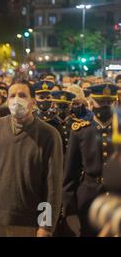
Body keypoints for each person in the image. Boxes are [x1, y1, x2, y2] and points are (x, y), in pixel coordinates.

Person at [0, 80, 63, 237]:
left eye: (22, 95)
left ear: (32, 102)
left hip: (30, 223)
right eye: (12, 96)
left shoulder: (49, 135)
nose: (16, 100)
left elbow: (52, 186)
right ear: (7, 101)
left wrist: (46, 225)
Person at [62, 84, 118, 237]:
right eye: (101, 102)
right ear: (91, 102)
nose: (105, 106)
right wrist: (70, 211)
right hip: (88, 199)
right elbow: (70, 174)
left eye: (109, 102)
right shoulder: (81, 131)